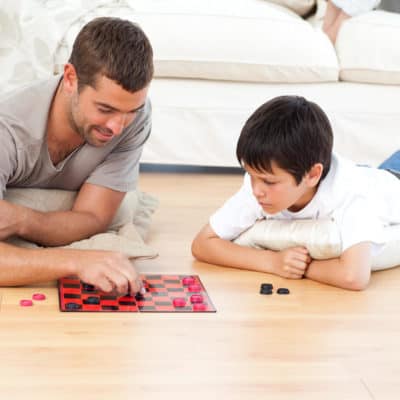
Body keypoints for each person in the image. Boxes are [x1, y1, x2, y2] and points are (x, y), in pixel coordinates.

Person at [0, 17, 154, 295]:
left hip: (41, 208)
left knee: (120, 208)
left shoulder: (136, 114)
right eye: (105, 109)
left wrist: (21, 219)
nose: (117, 127)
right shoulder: (7, 129)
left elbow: (94, 217)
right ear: (70, 78)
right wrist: (75, 261)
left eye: (130, 111)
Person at [192, 96, 400, 291]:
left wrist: (302, 268)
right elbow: (203, 244)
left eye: (268, 181)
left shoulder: (352, 194)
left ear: (312, 175)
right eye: (251, 175)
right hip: (374, 173)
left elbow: (354, 276)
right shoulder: (259, 185)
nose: (256, 191)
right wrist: (272, 262)